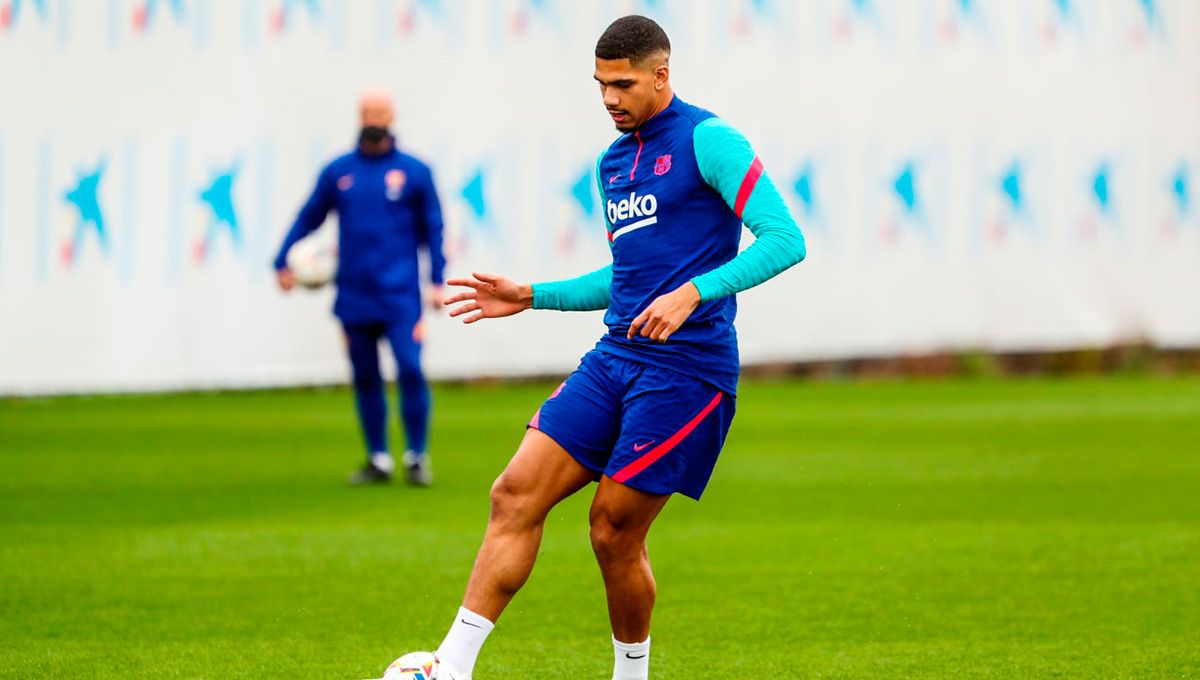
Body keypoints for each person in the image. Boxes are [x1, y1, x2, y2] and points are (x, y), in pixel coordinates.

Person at [424, 15, 806, 680]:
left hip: (688, 371)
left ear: (662, 76)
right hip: (616, 357)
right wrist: (531, 293)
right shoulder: (613, 162)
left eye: (623, 84)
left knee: (612, 528)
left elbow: (783, 238)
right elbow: (626, 276)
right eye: (600, 85)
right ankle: (449, 667)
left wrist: (694, 292)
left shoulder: (708, 140)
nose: (608, 98)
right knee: (513, 493)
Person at [274, 88, 446, 486]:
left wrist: (437, 281)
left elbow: (432, 229)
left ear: (392, 116)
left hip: (400, 295)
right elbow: (309, 217)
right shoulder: (339, 172)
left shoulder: (415, 172)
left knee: (410, 369)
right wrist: (282, 259)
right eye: (367, 112)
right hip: (354, 294)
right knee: (365, 375)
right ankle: (378, 458)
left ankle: (416, 456)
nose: (373, 119)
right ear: (359, 116)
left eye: (380, 112)